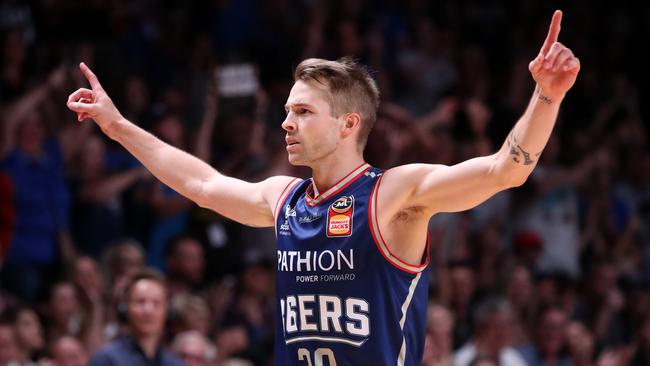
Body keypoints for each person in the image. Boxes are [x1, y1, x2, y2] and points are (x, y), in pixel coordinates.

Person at [67, 10, 580, 365]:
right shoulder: (284, 198)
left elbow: (503, 171)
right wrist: (117, 127)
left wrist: (545, 98)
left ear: (347, 124)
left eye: (303, 112)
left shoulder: (393, 195)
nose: (286, 124)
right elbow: (201, 182)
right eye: (287, 111)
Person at [86, 268, 183, 366]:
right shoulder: (105, 360)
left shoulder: (175, 363)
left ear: (167, 311)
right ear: (124, 308)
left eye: (156, 303)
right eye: (140, 301)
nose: (148, 310)